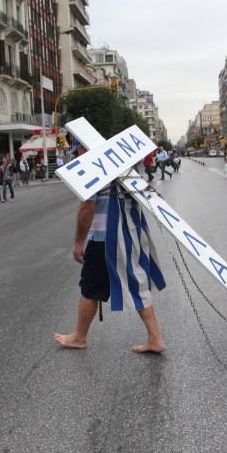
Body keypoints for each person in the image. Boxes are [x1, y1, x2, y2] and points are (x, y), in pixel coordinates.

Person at [54, 147, 166, 353]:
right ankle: (155, 338)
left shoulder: (94, 170)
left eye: (78, 151)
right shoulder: (125, 167)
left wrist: (78, 243)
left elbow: (87, 207)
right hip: (128, 235)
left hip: (103, 239)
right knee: (136, 282)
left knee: (90, 287)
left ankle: (79, 337)